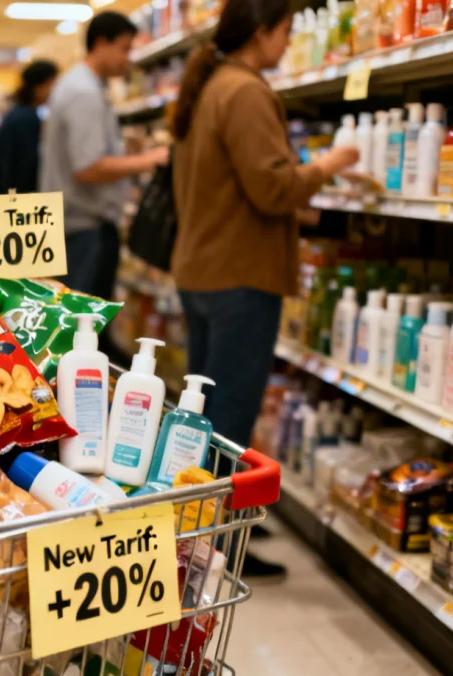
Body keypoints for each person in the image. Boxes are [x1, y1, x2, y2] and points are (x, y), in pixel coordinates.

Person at [170, 0, 359, 576]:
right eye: (284, 30)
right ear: (262, 32)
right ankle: (216, 549)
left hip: (202, 268)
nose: (287, 42)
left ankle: (202, 521)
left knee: (204, 415)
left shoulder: (208, 85)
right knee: (229, 419)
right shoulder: (246, 91)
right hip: (239, 276)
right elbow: (272, 189)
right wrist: (332, 163)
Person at [40, 11, 167, 303]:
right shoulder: (83, 92)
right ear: (100, 43)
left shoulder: (83, 86)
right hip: (83, 230)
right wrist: (150, 160)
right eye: (124, 48)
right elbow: (88, 167)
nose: (129, 57)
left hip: (79, 228)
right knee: (80, 326)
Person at [0, 60, 59, 195]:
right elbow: (22, 168)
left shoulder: (19, 113)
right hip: (17, 199)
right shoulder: (25, 118)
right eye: (52, 84)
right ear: (39, 86)